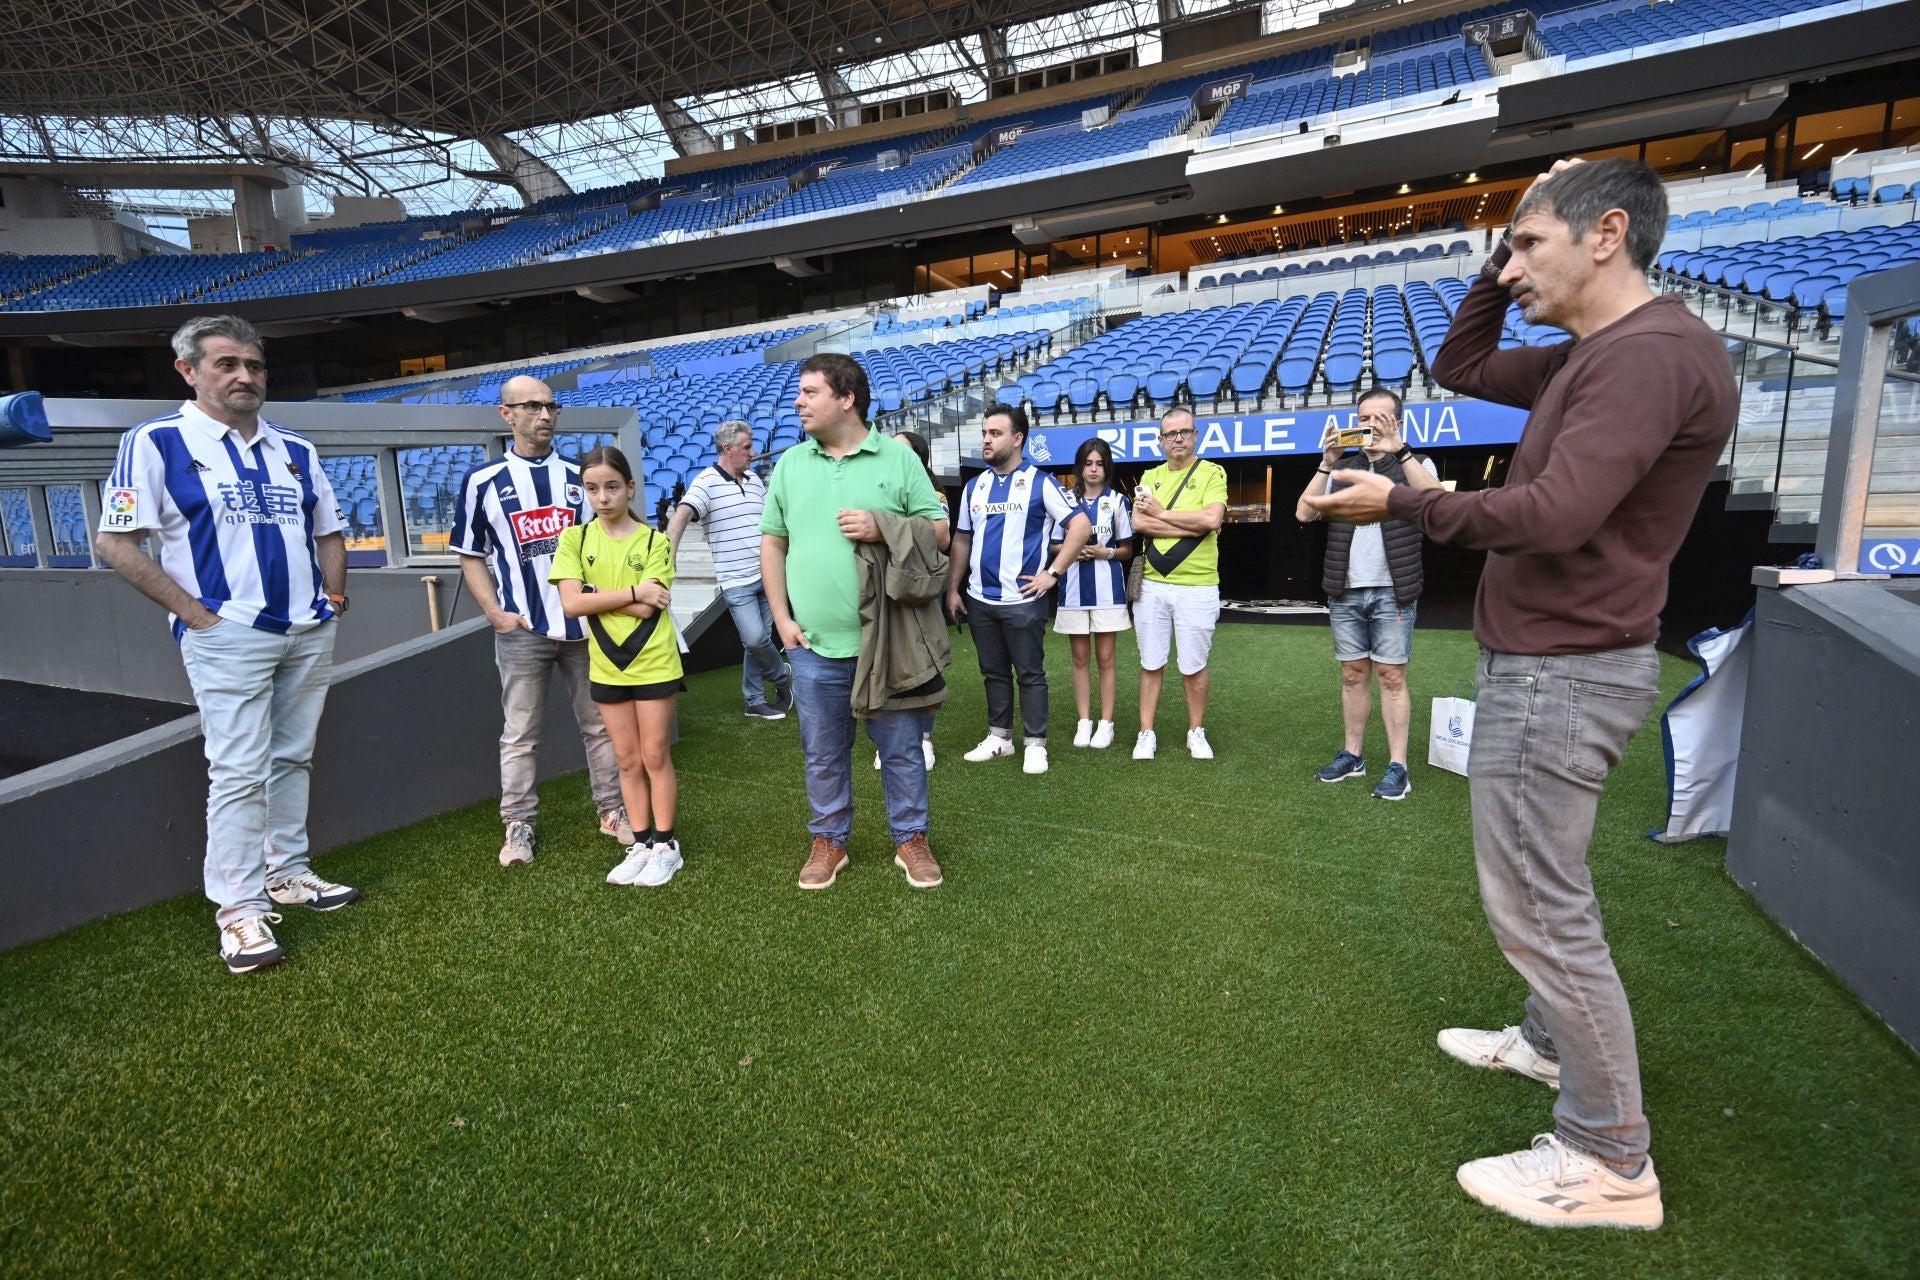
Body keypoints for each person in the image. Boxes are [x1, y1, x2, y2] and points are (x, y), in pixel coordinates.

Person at [1308, 157, 1737, 1231]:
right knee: (1547, 891)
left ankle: (1608, 1159)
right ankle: (1551, 1046)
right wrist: (1498, 261)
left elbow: (1551, 516)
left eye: (1529, 244)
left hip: (1567, 666)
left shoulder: (1647, 357)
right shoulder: (1596, 353)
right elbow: (1459, 360)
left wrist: (1406, 502)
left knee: (1541, 906)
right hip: (1552, 657)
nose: (1513, 265)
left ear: (1606, 235)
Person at [94, 314, 357, 974]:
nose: (245, 376)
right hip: (227, 635)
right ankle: (238, 911)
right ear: (188, 371)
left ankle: (288, 873)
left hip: (306, 627)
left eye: (254, 364)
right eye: (227, 365)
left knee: (292, 755)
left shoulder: (294, 448)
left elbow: (329, 530)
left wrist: (332, 598)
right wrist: (195, 614)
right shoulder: (155, 442)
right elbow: (114, 542)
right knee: (239, 770)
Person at [761, 354, 951, 890]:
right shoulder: (791, 464)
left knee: (902, 750)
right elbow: (773, 543)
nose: (799, 401)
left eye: (810, 392)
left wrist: (883, 525)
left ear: (846, 398)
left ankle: (911, 838)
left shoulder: (896, 459)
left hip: (888, 643)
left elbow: (939, 532)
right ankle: (829, 840)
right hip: (814, 645)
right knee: (823, 753)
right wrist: (781, 618)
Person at [450, 376, 630, 868]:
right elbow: (470, 555)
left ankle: (612, 810)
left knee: (600, 725)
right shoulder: (483, 482)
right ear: (506, 415)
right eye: (531, 406)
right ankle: (518, 823)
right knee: (521, 733)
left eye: (551, 406)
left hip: (585, 628)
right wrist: (493, 612)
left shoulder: (580, 476)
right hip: (523, 630)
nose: (545, 415)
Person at [1293, 387, 1441, 800]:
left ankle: (1398, 766)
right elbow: (1304, 512)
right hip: (1346, 589)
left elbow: (1438, 507)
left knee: (1392, 676)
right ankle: (1353, 755)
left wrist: (1403, 452)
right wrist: (1326, 463)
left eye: (1380, 417)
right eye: (1364, 417)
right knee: (1352, 674)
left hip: (1394, 590)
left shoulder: (1415, 462)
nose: (1371, 425)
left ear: (1397, 422)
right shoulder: (1344, 467)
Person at [550, 447, 685, 888]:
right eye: (592, 489)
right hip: (606, 666)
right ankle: (641, 844)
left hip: (654, 663)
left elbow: (651, 610)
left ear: (630, 488)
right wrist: (632, 591)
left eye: (612, 487)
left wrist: (598, 593)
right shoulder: (575, 540)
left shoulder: (655, 541)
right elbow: (572, 604)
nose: (603, 497)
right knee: (626, 759)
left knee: (653, 755)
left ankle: (666, 846)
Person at [946, 406, 1091, 775]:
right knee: (992, 672)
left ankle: (1036, 744)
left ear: (1018, 439)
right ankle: (1000, 738)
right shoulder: (974, 486)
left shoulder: (1041, 482)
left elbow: (1080, 527)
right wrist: (953, 589)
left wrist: (1052, 574)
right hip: (980, 598)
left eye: (995, 433)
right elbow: (962, 539)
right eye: (984, 433)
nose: (986, 439)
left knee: (1030, 673)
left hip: (1023, 599)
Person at [665, 419, 792, 720]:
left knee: (756, 643)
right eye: (747, 447)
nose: (753, 452)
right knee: (755, 639)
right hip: (735, 580)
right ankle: (783, 678)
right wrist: (667, 555)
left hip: (767, 574)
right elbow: (682, 514)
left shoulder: (755, 481)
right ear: (728, 448)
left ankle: (754, 700)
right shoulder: (706, 481)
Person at [1129, 406, 1228, 761]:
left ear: (1195, 434)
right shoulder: (1150, 474)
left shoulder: (1212, 472)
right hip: (1153, 584)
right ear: (1160, 440)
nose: (1178, 438)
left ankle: (1195, 731)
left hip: (1198, 585)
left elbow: (1212, 517)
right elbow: (1139, 525)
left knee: (1194, 665)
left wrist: (1161, 514)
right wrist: (1191, 523)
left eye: (1185, 431)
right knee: (1151, 662)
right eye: (1170, 434)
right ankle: (1145, 733)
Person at [873, 429, 949, 772]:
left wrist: (888, 528)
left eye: (901, 450)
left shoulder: (932, 495)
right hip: (883, 586)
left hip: (917, 587)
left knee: (922, 667)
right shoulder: (880, 486)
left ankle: (924, 739)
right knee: (887, 666)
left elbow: (941, 541)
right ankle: (889, 739)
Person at [1053, 436, 1134, 749]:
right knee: (1080, 657)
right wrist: (1073, 550)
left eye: (1099, 463)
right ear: (1080, 466)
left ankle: (1106, 723)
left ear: (1107, 466)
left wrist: (1104, 553)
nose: (1093, 469)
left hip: (1108, 593)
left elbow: (1127, 549)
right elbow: (1053, 546)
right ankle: (1084, 721)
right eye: (1088, 463)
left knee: (1106, 658)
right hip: (1072, 592)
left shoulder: (1117, 501)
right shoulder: (1064, 500)